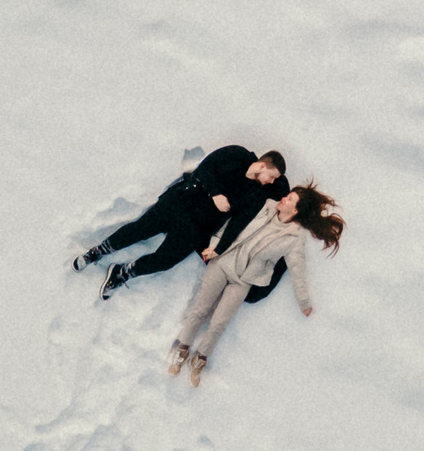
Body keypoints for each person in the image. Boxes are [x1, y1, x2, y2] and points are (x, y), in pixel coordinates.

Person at [168, 182, 344, 387]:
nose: (284, 198)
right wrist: (215, 246)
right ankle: (183, 347)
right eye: (288, 195)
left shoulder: (294, 237)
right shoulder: (265, 206)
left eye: (290, 199)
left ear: (295, 211)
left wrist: (304, 301)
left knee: (219, 322)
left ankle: (201, 358)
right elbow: (233, 224)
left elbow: (298, 269)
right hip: (223, 262)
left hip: (245, 280)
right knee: (201, 309)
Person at [74, 147, 286, 299]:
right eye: (272, 175)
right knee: (140, 230)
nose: (271, 181)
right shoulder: (237, 154)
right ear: (261, 165)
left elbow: (238, 222)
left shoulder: (256, 194)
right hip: (181, 201)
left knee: (165, 261)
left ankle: (123, 272)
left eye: (275, 180)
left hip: (198, 227)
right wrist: (215, 194)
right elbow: (205, 168)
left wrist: (218, 248)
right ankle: (97, 252)